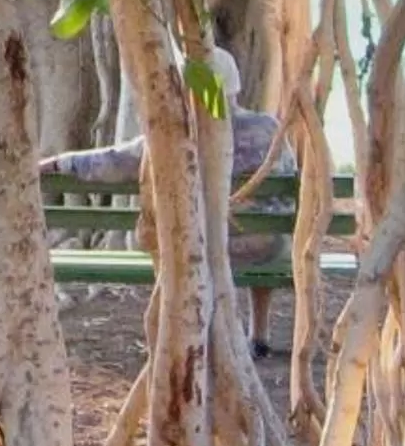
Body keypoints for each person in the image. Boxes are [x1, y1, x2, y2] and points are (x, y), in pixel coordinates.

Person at [43, 51, 298, 355]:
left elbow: (114, 161)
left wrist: (57, 163)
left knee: (182, 240)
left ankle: (194, 331)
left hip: (201, 247)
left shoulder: (178, 134)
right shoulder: (268, 128)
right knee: (260, 229)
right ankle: (259, 334)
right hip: (269, 246)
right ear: (235, 85)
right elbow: (291, 176)